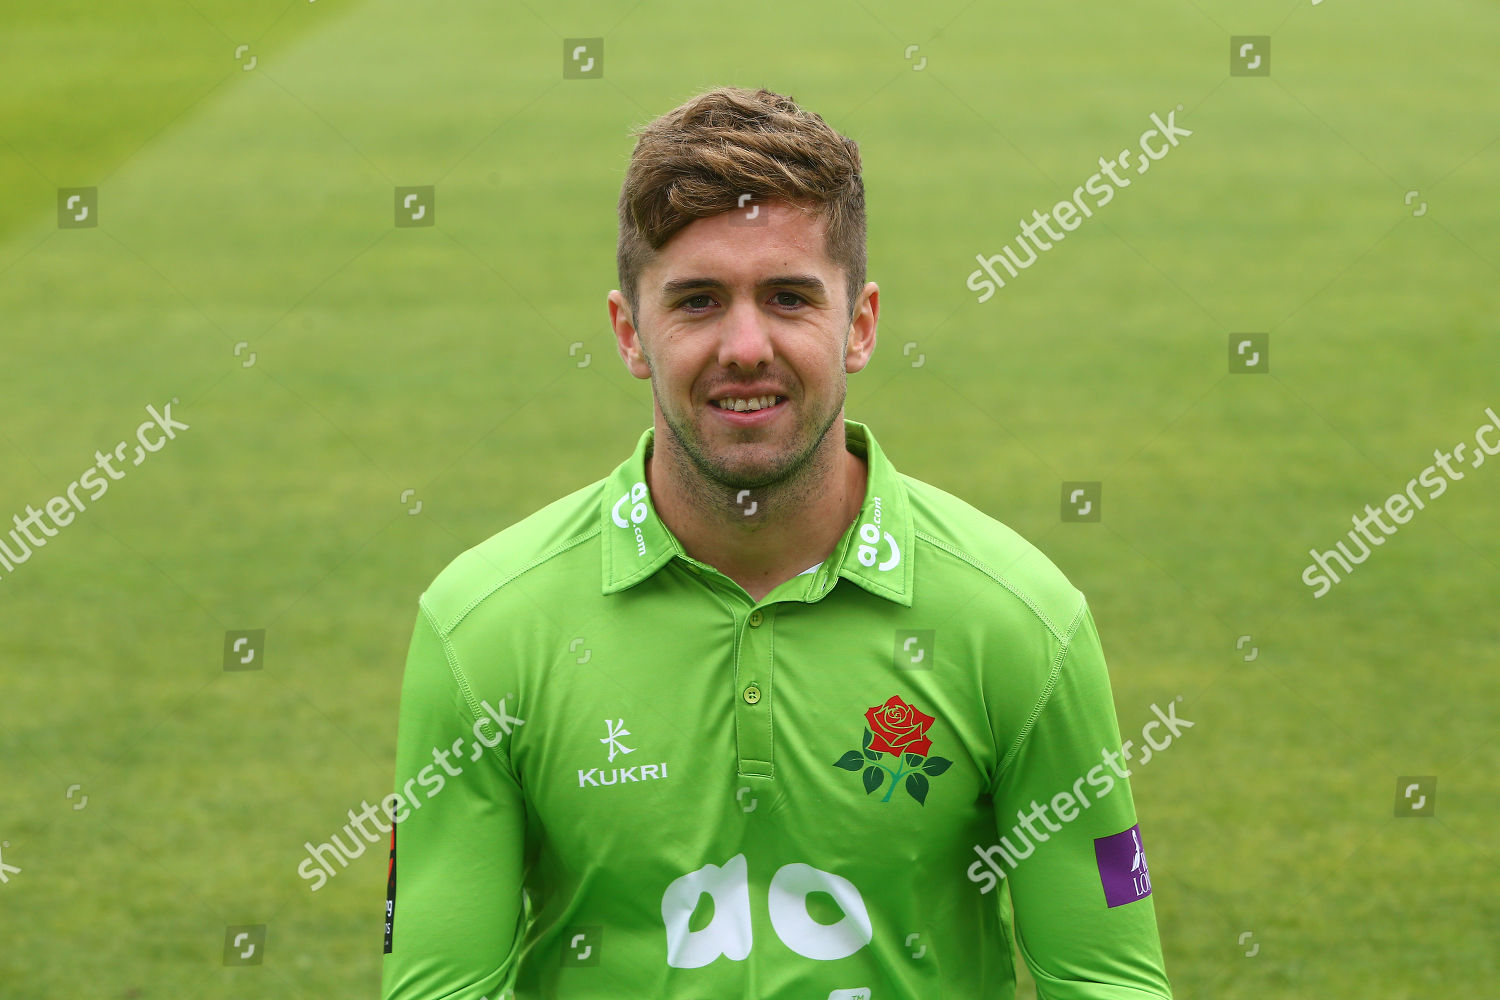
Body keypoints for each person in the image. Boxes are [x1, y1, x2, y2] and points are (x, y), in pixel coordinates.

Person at [382, 85, 1173, 1000]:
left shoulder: (1019, 619)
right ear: (630, 333)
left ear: (860, 325)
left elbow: (1108, 982)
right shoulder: (483, 625)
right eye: (698, 302)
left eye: (790, 298)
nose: (745, 346)